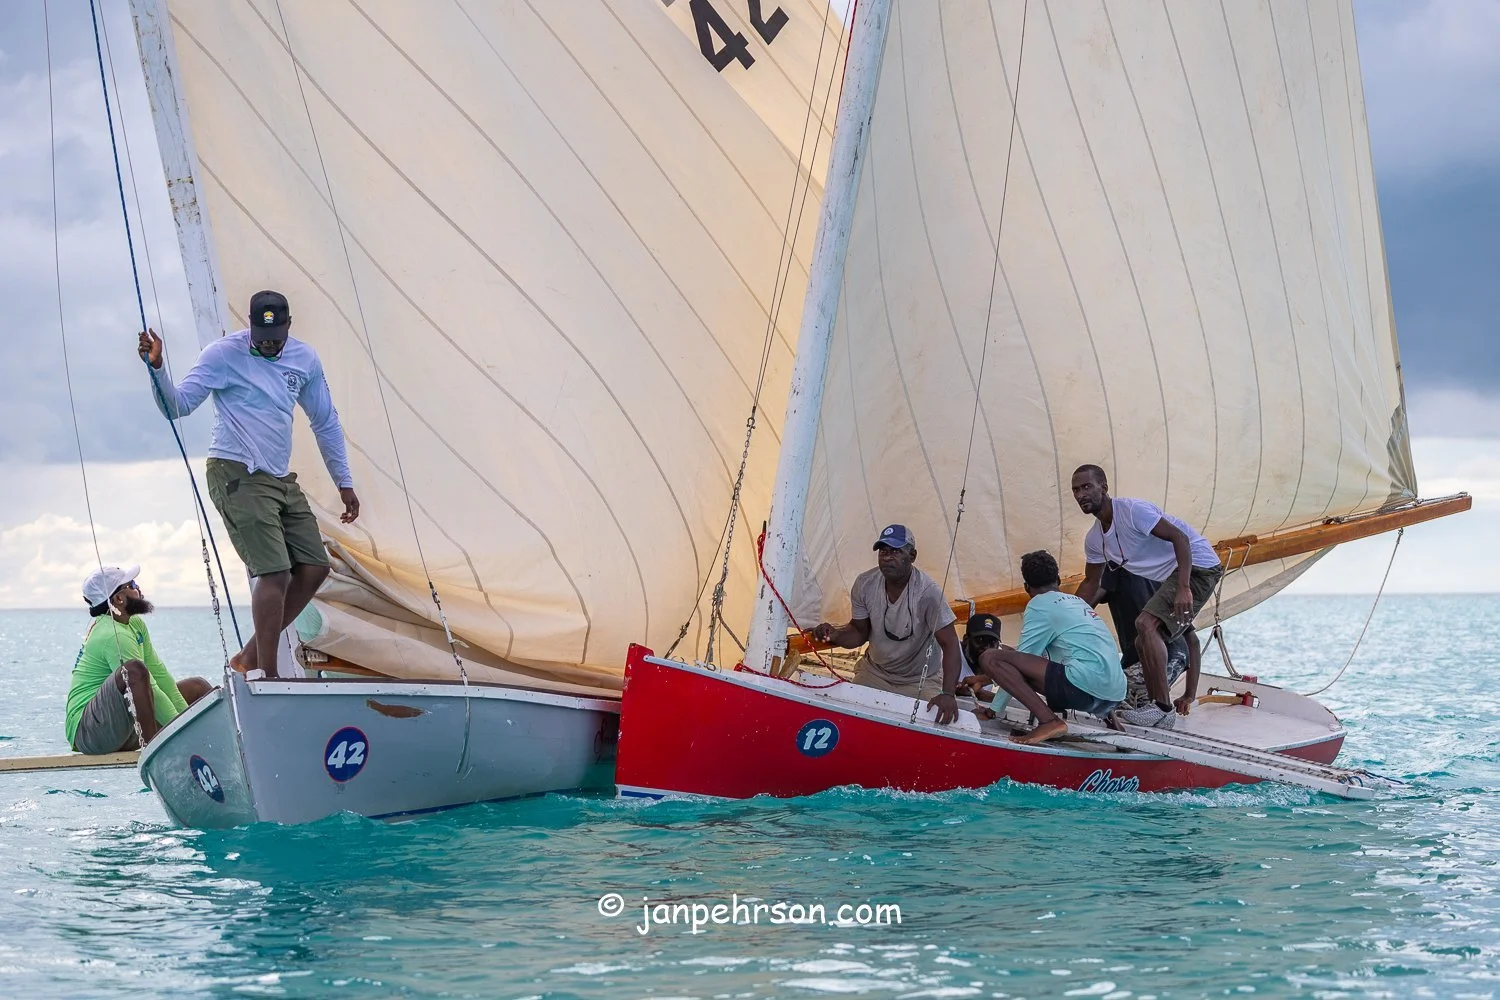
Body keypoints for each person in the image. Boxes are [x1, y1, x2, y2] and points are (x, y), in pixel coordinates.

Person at [139, 290, 360, 679]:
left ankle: (248, 658)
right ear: (250, 326)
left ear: (289, 326)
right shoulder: (222, 354)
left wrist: (344, 482)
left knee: (313, 566)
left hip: (277, 477)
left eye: (276, 336)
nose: (269, 343)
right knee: (274, 573)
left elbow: (324, 421)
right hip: (235, 470)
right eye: (262, 335)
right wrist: (157, 368)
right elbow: (178, 406)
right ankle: (268, 675)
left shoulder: (304, 359)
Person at [1070, 465, 1224, 730]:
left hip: (1198, 565)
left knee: (1144, 624)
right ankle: (1157, 707)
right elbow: (1092, 582)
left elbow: (1180, 538)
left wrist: (1184, 587)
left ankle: (1163, 709)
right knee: (1143, 636)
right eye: (1075, 490)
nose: (1081, 494)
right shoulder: (1095, 540)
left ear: (1104, 487)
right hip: (1175, 574)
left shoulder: (1132, 511)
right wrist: (1066, 614)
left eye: (1087, 487)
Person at [960, 550, 1125, 745]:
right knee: (1020, 657)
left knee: (991, 657)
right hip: (1114, 694)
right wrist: (984, 678)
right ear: (1058, 579)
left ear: (1026, 587)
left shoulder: (1039, 604)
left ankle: (1049, 721)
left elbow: (1023, 657)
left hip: (1084, 690)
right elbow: (1095, 658)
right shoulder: (1079, 603)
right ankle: (1107, 717)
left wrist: (992, 711)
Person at [810, 524, 962, 725]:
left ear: (913, 556)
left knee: (933, 724)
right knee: (846, 720)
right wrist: (835, 635)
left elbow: (950, 643)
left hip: (918, 681)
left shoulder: (928, 593)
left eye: (896, 551)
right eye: (883, 551)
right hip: (875, 673)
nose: (888, 557)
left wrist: (948, 694)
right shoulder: (865, 584)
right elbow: (859, 632)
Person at [66, 566, 212, 753]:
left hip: (121, 727)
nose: (138, 588)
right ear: (119, 599)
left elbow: (159, 676)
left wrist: (186, 719)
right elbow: (150, 687)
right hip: (89, 733)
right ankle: (156, 752)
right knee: (133, 671)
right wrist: (184, 735)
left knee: (197, 688)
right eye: (132, 584)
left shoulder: (134, 624)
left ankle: (218, 747)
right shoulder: (113, 635)